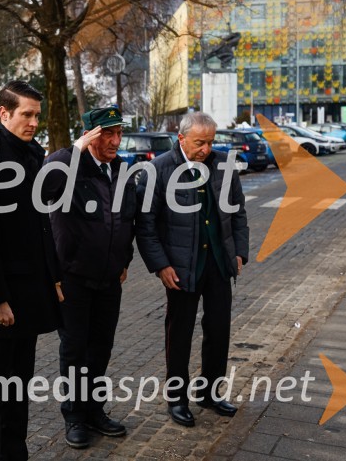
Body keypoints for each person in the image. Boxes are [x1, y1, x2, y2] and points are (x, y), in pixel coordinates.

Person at [0, 81, 62, 460]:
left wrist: (52, 278)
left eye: (37, 115)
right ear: (4, 113)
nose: (34, 122)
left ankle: (15, 454)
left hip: (31, 291)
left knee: (19, 385)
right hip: (3, 298)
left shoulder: (31, 154)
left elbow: (41, 225)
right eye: (26, 114)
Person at [135, 111, 249, 427]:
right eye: (200, 142)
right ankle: (177, 399)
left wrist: (240, 252)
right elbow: (145, 225)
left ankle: (210, 393)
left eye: (211, 142)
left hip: (218, 263)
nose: (206, 149)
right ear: (181, 138)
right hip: (181, 267)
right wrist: (160, 266)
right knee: (179, 333)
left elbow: (238, 213)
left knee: (218, 330)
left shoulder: (224, 165)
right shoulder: (158, 170)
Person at [40, 106, 138, 449]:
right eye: (106, 134)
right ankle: (75, 416)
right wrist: (76, 149)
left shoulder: (121, 169)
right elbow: (43, 190)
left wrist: (125, 258)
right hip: (74, 277)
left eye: (118, 133)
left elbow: (128, 219)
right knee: (75, 349)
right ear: (90, 136)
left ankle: (95, 410)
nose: (114, 141)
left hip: (109, 278)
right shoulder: (67, 166)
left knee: (101, 348)